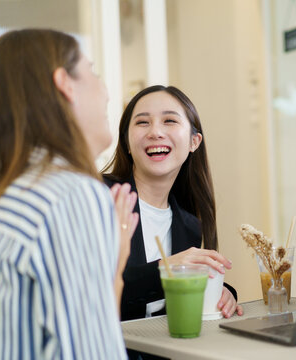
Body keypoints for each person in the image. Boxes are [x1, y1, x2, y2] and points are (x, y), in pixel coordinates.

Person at [0, 29, 138, 359]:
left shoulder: (2, 197)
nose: (107, 93)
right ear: (65, 83)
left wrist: (113, 266)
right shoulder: (71, 195)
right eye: (93, 72)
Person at [102, 85, 243, 323]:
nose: (156, 132)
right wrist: (166, 270)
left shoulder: (189, 225)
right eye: (142, 123)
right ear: (126, 141)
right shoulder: (101, 197)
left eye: (169, 121)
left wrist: (223, 292)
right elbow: (90, 289)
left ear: (194, 142)